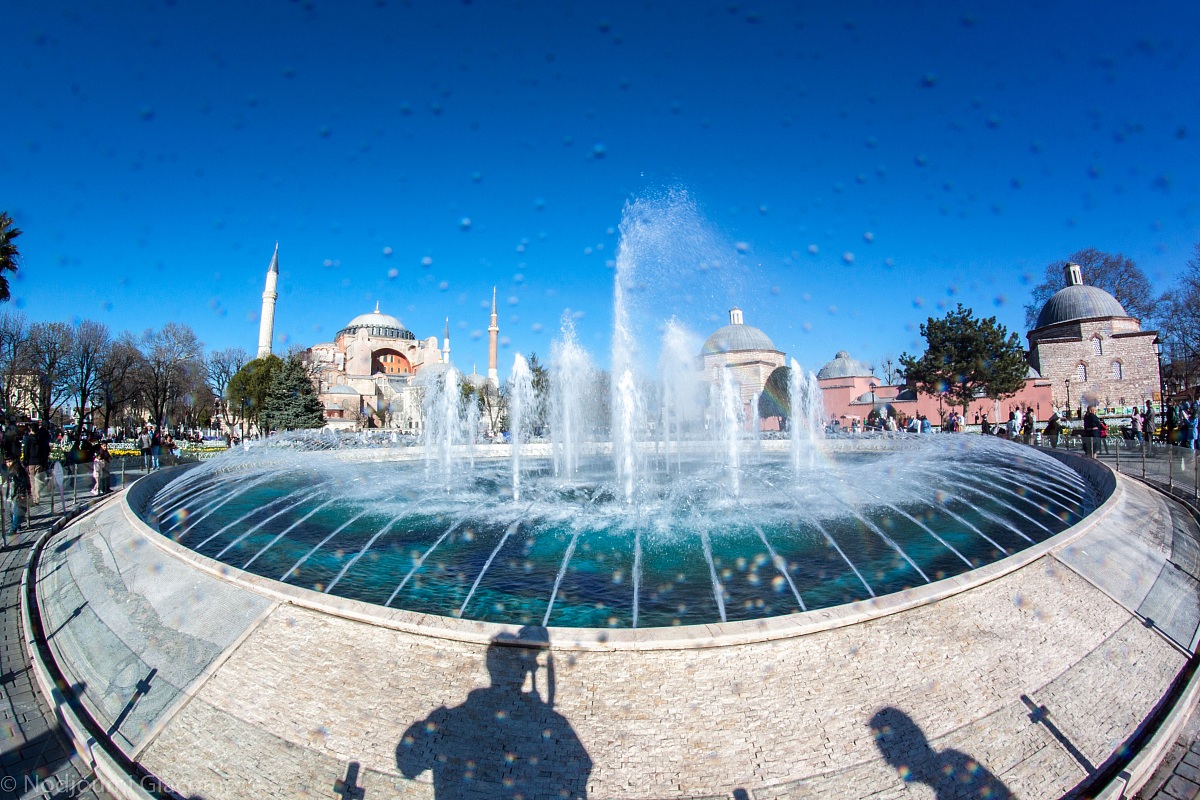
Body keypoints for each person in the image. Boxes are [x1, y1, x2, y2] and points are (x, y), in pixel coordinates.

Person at [23, 420, 50, 506]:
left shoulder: (27, 439)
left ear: (31, 429)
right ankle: (37, 498)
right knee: (38, 480)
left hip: (31, 462)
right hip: (39, 462)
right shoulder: (40, 438)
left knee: (32, 480)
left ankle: (33, 498)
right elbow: (44, 450)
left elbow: (26, 451)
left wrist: (25, 461)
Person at [3, 455, 30, 537]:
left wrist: (22, 493)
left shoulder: (17, 468)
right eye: (7, 462)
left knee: (16, 512)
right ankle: (17, 526)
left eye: (10, 461)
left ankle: (13, 528)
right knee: (13, 511)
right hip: (13, 493)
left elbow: (23, 481)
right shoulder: (13, 468)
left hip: (17, 493)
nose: (8, 463)